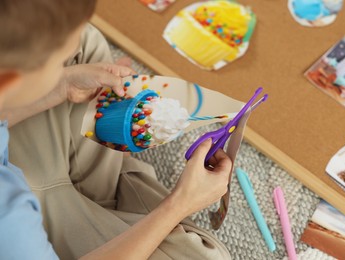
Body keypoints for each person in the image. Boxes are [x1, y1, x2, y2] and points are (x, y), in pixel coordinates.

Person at [0, 0, 232, 259]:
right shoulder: (9, 220)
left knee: (84, 42)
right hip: (24, 214)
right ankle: (113, 194)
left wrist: (63, 84)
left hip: (17, 163)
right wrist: (179, 204)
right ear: (10, 81)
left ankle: (107, 194)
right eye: (55, 67)